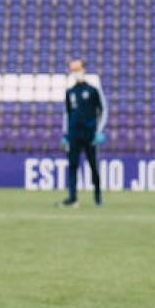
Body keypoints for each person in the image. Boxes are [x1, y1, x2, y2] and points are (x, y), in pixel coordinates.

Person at [60, 59, 106, 208]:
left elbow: (103, 110)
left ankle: (98, 197)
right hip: (74, 135)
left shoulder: (93, 90)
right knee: (73, 166)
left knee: (93, 166)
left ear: (84, 69)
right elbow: (67, 114)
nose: (76, 73)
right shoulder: (70, 92)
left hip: (90, 135)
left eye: (78, 69)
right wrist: (65, 134)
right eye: (73, 70)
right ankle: (72, 198)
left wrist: (99, 131)